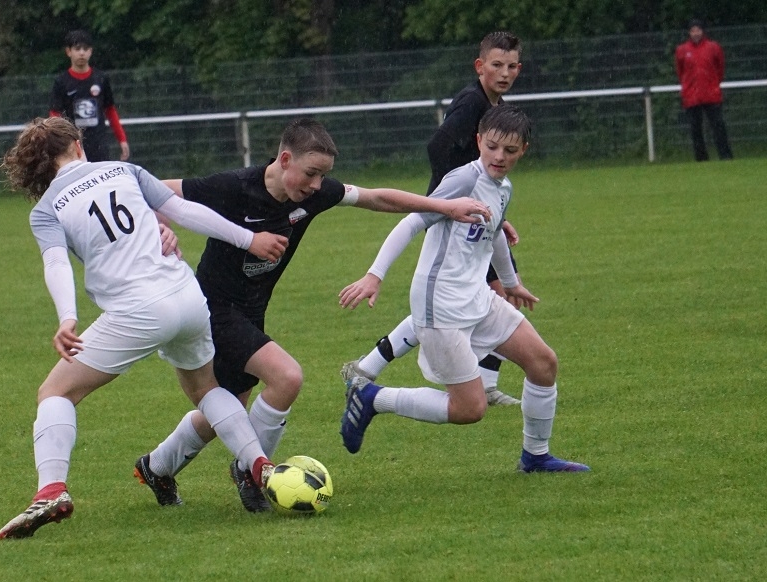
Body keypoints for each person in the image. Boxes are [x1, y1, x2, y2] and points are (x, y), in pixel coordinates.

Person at [132, 118, 494, 512]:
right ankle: (252, 474)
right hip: (212, 309)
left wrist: (445, 206)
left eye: (323, 175)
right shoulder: (234, 187)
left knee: (228, 411)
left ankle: (156, 467)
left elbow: (377, 198)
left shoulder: (312, 195)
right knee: (286, 377)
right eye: (311, 173)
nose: (317, 185)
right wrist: (161, 227)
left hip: (251, 311)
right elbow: (150, 190)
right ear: (285, 159)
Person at [0, 117, 290, 539]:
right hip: (187, 295)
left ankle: (51, 490)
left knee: (56, 392)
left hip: (137, 311)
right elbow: (184, 211)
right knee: (206, 389)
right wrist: (248, 238)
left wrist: (67, 318)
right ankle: (259, 464)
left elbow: (56, 263)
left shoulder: (46, 209)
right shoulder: (123, 169)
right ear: (77, 145)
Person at [337, 105, 589, 474]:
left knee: (543, 363)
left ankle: (535, 457)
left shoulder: (503, 188)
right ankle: (373, 398)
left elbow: (495, 232)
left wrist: (510, 282)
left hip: (478, 298)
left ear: (523, 150)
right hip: (440, 304)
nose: (499, 157)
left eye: (510, 150)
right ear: (478, 141)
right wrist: (374, 274)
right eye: (492, 147)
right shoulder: (463, 179)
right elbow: (411, 222)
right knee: (470, 409)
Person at [344, 31, 525, 406]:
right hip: (455, 218)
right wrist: (449, 203)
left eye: (511, 66)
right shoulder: (472, 102)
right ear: (480, 66)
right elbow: (438, 146)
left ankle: (366, 368)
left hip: (470, 217)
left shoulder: (495, 105)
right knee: (483, 299)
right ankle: (485, 385)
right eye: (497, 65)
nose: (504, 73)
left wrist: (489, 209)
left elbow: (486, 179)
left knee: (453, 305)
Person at [49, 30, 131, 162]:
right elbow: (55, 115)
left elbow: (110, 111)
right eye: (77, 49)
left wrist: (122, 139)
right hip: (73, 145)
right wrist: (57, 143)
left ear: (91, 51)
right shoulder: (62, 82)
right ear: (69, 51)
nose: (82, 53)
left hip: (98, 144)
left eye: (85, 49)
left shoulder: (101, 79)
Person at [674, 19, 733, 162]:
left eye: (698, 30)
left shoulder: (713, 47)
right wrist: (688, 87)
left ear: (703, 31)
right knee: (695, 129)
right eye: (693, 31)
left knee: (718, 126)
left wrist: (713, 84)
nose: (696, 33)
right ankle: (701, 158)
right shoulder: (682, 50)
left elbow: (720, 68)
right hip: (692, 96)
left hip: (711, 94)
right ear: (689, 33)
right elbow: (680, 71)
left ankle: (725, 156)